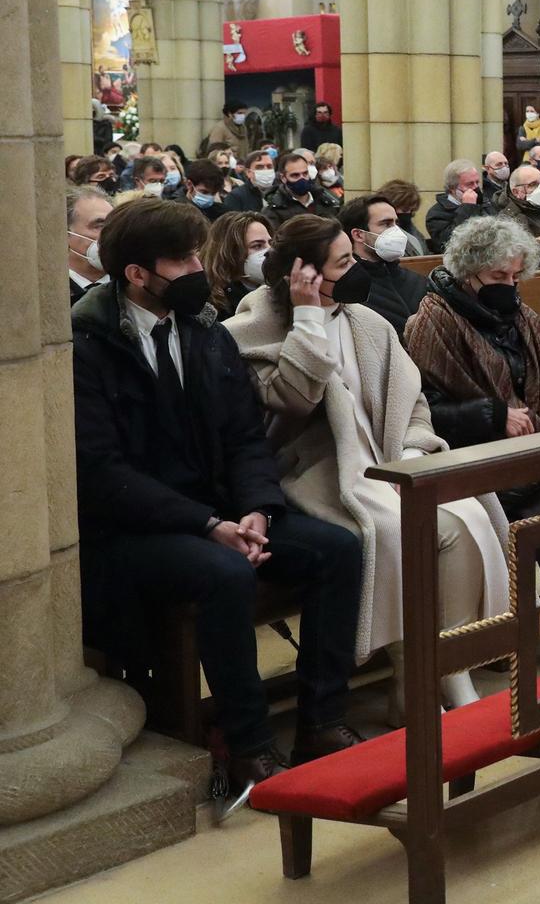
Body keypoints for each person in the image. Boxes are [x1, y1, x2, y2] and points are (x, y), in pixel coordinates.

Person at [74, 199, 363, 798]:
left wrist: (255, 507)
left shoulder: (203, 329)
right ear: (137, 273)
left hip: (215, 514)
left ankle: (321, 721)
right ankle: (250, 746)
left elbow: (243, 436)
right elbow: (103, 473)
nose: (198, 269)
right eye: (183, 259)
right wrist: (209, 525)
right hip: (135, 531)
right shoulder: (89, 343)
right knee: (225, 573)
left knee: (336, 549)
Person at [226, 215, 508, 714]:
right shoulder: (253, 329)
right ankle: (410, 679)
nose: (357, 269)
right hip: (322, 473)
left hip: (392, 462)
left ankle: (449, 669)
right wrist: (307, 317)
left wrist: (413, 454)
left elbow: (412, 402)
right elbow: (292, 398)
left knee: (471, 519)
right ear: (303, 275)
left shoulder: (367, 320)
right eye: (344, 263)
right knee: (406, 534)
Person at [401, 216, 540, 665]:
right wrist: (491, 415)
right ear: (468, 272)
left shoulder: (520, 316)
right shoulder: (430, 323)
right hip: (472, 452)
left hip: (531, 435)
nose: (511, 286)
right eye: (499, 277)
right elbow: (422, 411)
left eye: (517, 276)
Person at [337, 194, 428, 336]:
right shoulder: (347, 288)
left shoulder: (417, 280)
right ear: (358, 235)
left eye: (395, 223)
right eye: (386, 224)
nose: (396, 231)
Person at [202, 212, 275, 319]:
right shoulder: (211, 303)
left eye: (271, 243)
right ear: (231, 252)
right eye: (257, 246)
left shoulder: (280, 292)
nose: (269, 251)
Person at [424, 158, 488, 251]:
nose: (475, 188)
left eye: (477, 182)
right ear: (452, 188)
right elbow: (450, 242)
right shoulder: (436, 214)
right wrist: (467, 208)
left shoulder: (483, 203)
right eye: (470, 184)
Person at [65, 185, 113, 304]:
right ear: (65, 234)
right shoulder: (47, 290)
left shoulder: (132, 288)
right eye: (99, 226)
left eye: (114, 224)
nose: (112, 234)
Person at [264, 151, 341, 222]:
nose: (302, 179)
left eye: (305, 174)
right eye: (295, 175)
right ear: (283, 178)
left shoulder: (325, 200)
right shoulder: (274, 210)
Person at [375, 179, 432, 256]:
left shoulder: (412, 231)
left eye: (411, 210)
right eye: (405, 209)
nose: (408, 213)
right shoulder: (379, 233)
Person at [221, 149, 277, 213]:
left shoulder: (280, 194)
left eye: (269, 166)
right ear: (248, 172)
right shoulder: (235, 197)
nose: (265, 170)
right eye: (259, 167)